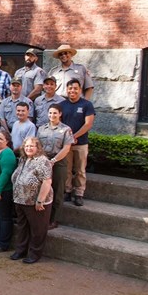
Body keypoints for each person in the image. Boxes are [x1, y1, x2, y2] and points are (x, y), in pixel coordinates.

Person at [10, 136, 53, 264]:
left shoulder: (43, 161)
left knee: (37, 229)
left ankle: (35, 254)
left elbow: (47, 181)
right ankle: (20, 250)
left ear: (37, 147)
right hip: (20, 199)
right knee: (22, 227)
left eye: (31, 146)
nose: (28, 148)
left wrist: (40, 200)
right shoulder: (23, 159)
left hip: (35, 202)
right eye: (27, 146)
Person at [37, 104, 73, 229]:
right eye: (50, 113)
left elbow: (66, 148)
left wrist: (53, 160)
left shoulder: (66, 129)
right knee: (43, 190)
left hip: (59, 162)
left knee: (57, 191)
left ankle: (54, 220)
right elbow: (38, 146)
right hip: (44, 160)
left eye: (55, 113)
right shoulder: (42, 129)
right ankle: (42, 217)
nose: (52, 115)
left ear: (60, 114)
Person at [61, 79, 95, 207]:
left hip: (81, 143)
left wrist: (75, 136)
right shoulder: (62, 105)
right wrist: (67, 138)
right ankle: (68, 191)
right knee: (67, 170)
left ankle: (79, 194)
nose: (72, 91)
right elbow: (59, 123)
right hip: (66, 144)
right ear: (67, 90)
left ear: (80, 90)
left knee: (80, 170)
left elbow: (88, 124)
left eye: (75, 88)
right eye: (70, 88)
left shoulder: (87, 105)